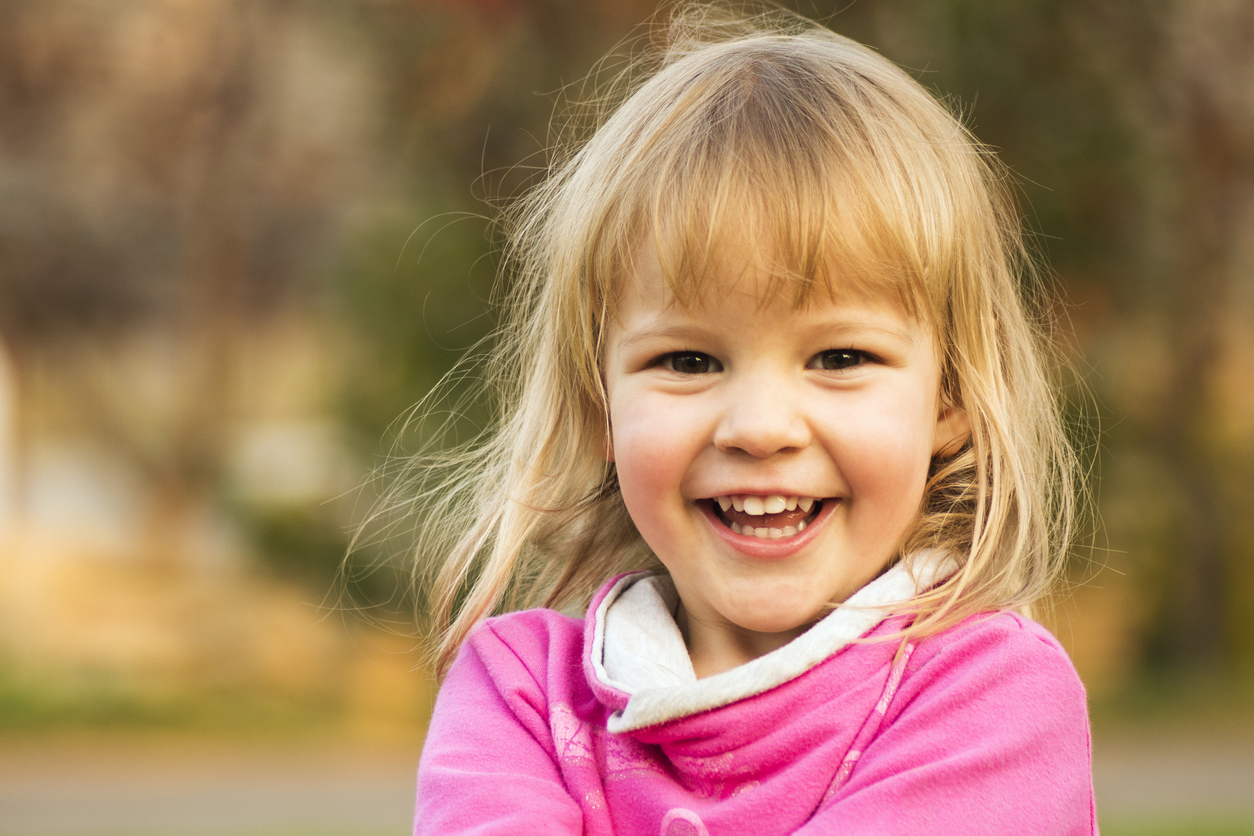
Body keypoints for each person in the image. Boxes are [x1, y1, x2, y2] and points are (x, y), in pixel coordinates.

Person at [409, 4, 1096, 834]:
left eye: (840, 359)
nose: (761, 427)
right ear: (599, 406)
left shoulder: (988, 694)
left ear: (950, 399)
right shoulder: (521, 695)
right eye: (689, 362)